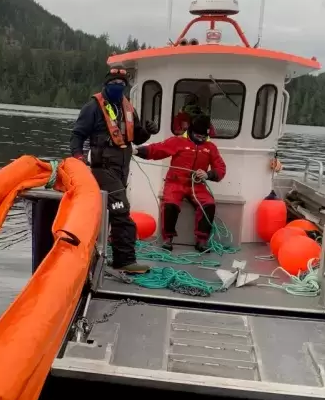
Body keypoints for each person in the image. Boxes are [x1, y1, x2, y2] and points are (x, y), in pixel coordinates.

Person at [70, 69, 156, 273]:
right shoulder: (93, 107)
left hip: (122, 169)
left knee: (113, 213)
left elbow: (136, 138)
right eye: (114, 82)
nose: (118, 86)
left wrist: (147, 131)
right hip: (103, 169)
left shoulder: (127, 108)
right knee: (121, 211)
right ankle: (125, 260)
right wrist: (78, 158)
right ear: (106, 85)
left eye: (122, 83)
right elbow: (77, 136)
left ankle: (102, 254)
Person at [136, 115, 226, 252]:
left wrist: (208, 175)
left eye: (204, 137)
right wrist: (137, 151)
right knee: (170, 204)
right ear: (191, 131)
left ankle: (202, 241)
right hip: (175, 182)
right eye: (198, 135)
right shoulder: (177, 141)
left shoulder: (211, 147)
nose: (201, 139)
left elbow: (220, 168)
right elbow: (157, 149)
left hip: (197, 185)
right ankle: (168, 239)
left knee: (209, 204)